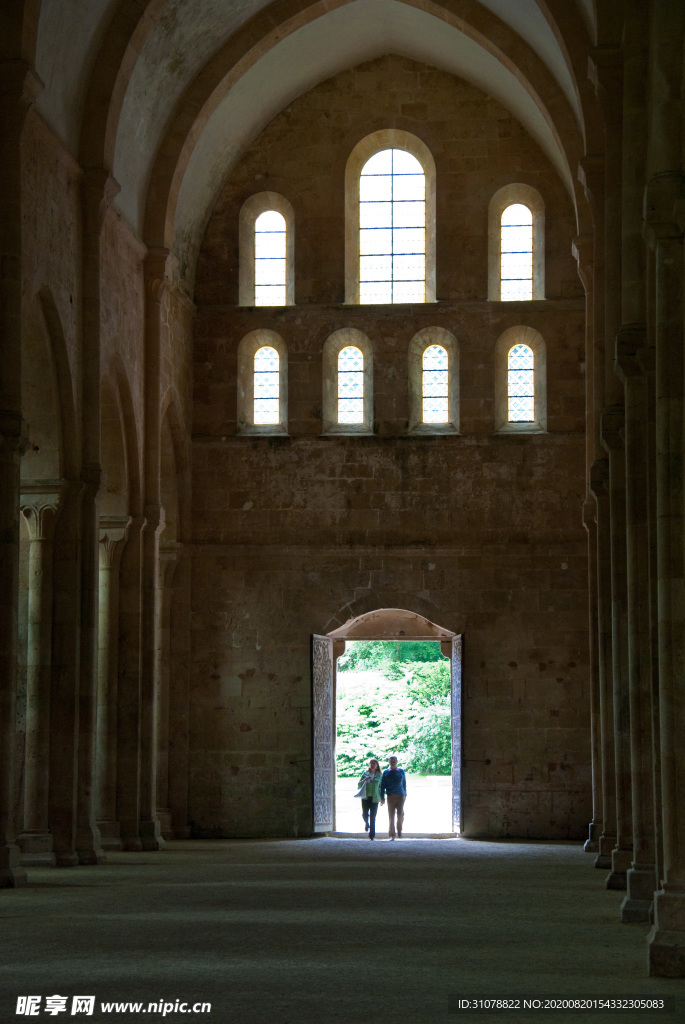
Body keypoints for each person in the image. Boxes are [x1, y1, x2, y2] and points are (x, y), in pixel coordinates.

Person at [380, 755, 407, 839]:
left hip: (400, 796)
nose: (393, 762)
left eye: (394, 761)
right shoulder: (386, 772)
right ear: (389, 762)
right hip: (391, 796)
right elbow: (382, 785)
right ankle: (392, 834)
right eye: (391, 761)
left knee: (400, 814)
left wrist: (405, 794)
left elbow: (404, 783)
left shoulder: (401, 771)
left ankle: (399, 831)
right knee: (391, 816)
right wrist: (382, 797)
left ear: (397, 762)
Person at [357, 758, 382, 840]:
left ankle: (372, 835)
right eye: (371, 763)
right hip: (365, 797)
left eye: (374, 763)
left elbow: (381, 787)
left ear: (377, 765)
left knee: (373, 816)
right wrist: (365, 780)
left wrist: (382, 798)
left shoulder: (379, 775)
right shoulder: (365, 774)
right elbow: (359, 784)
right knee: (364, 814)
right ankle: (366, 822)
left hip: (375, 798)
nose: (373, 765)